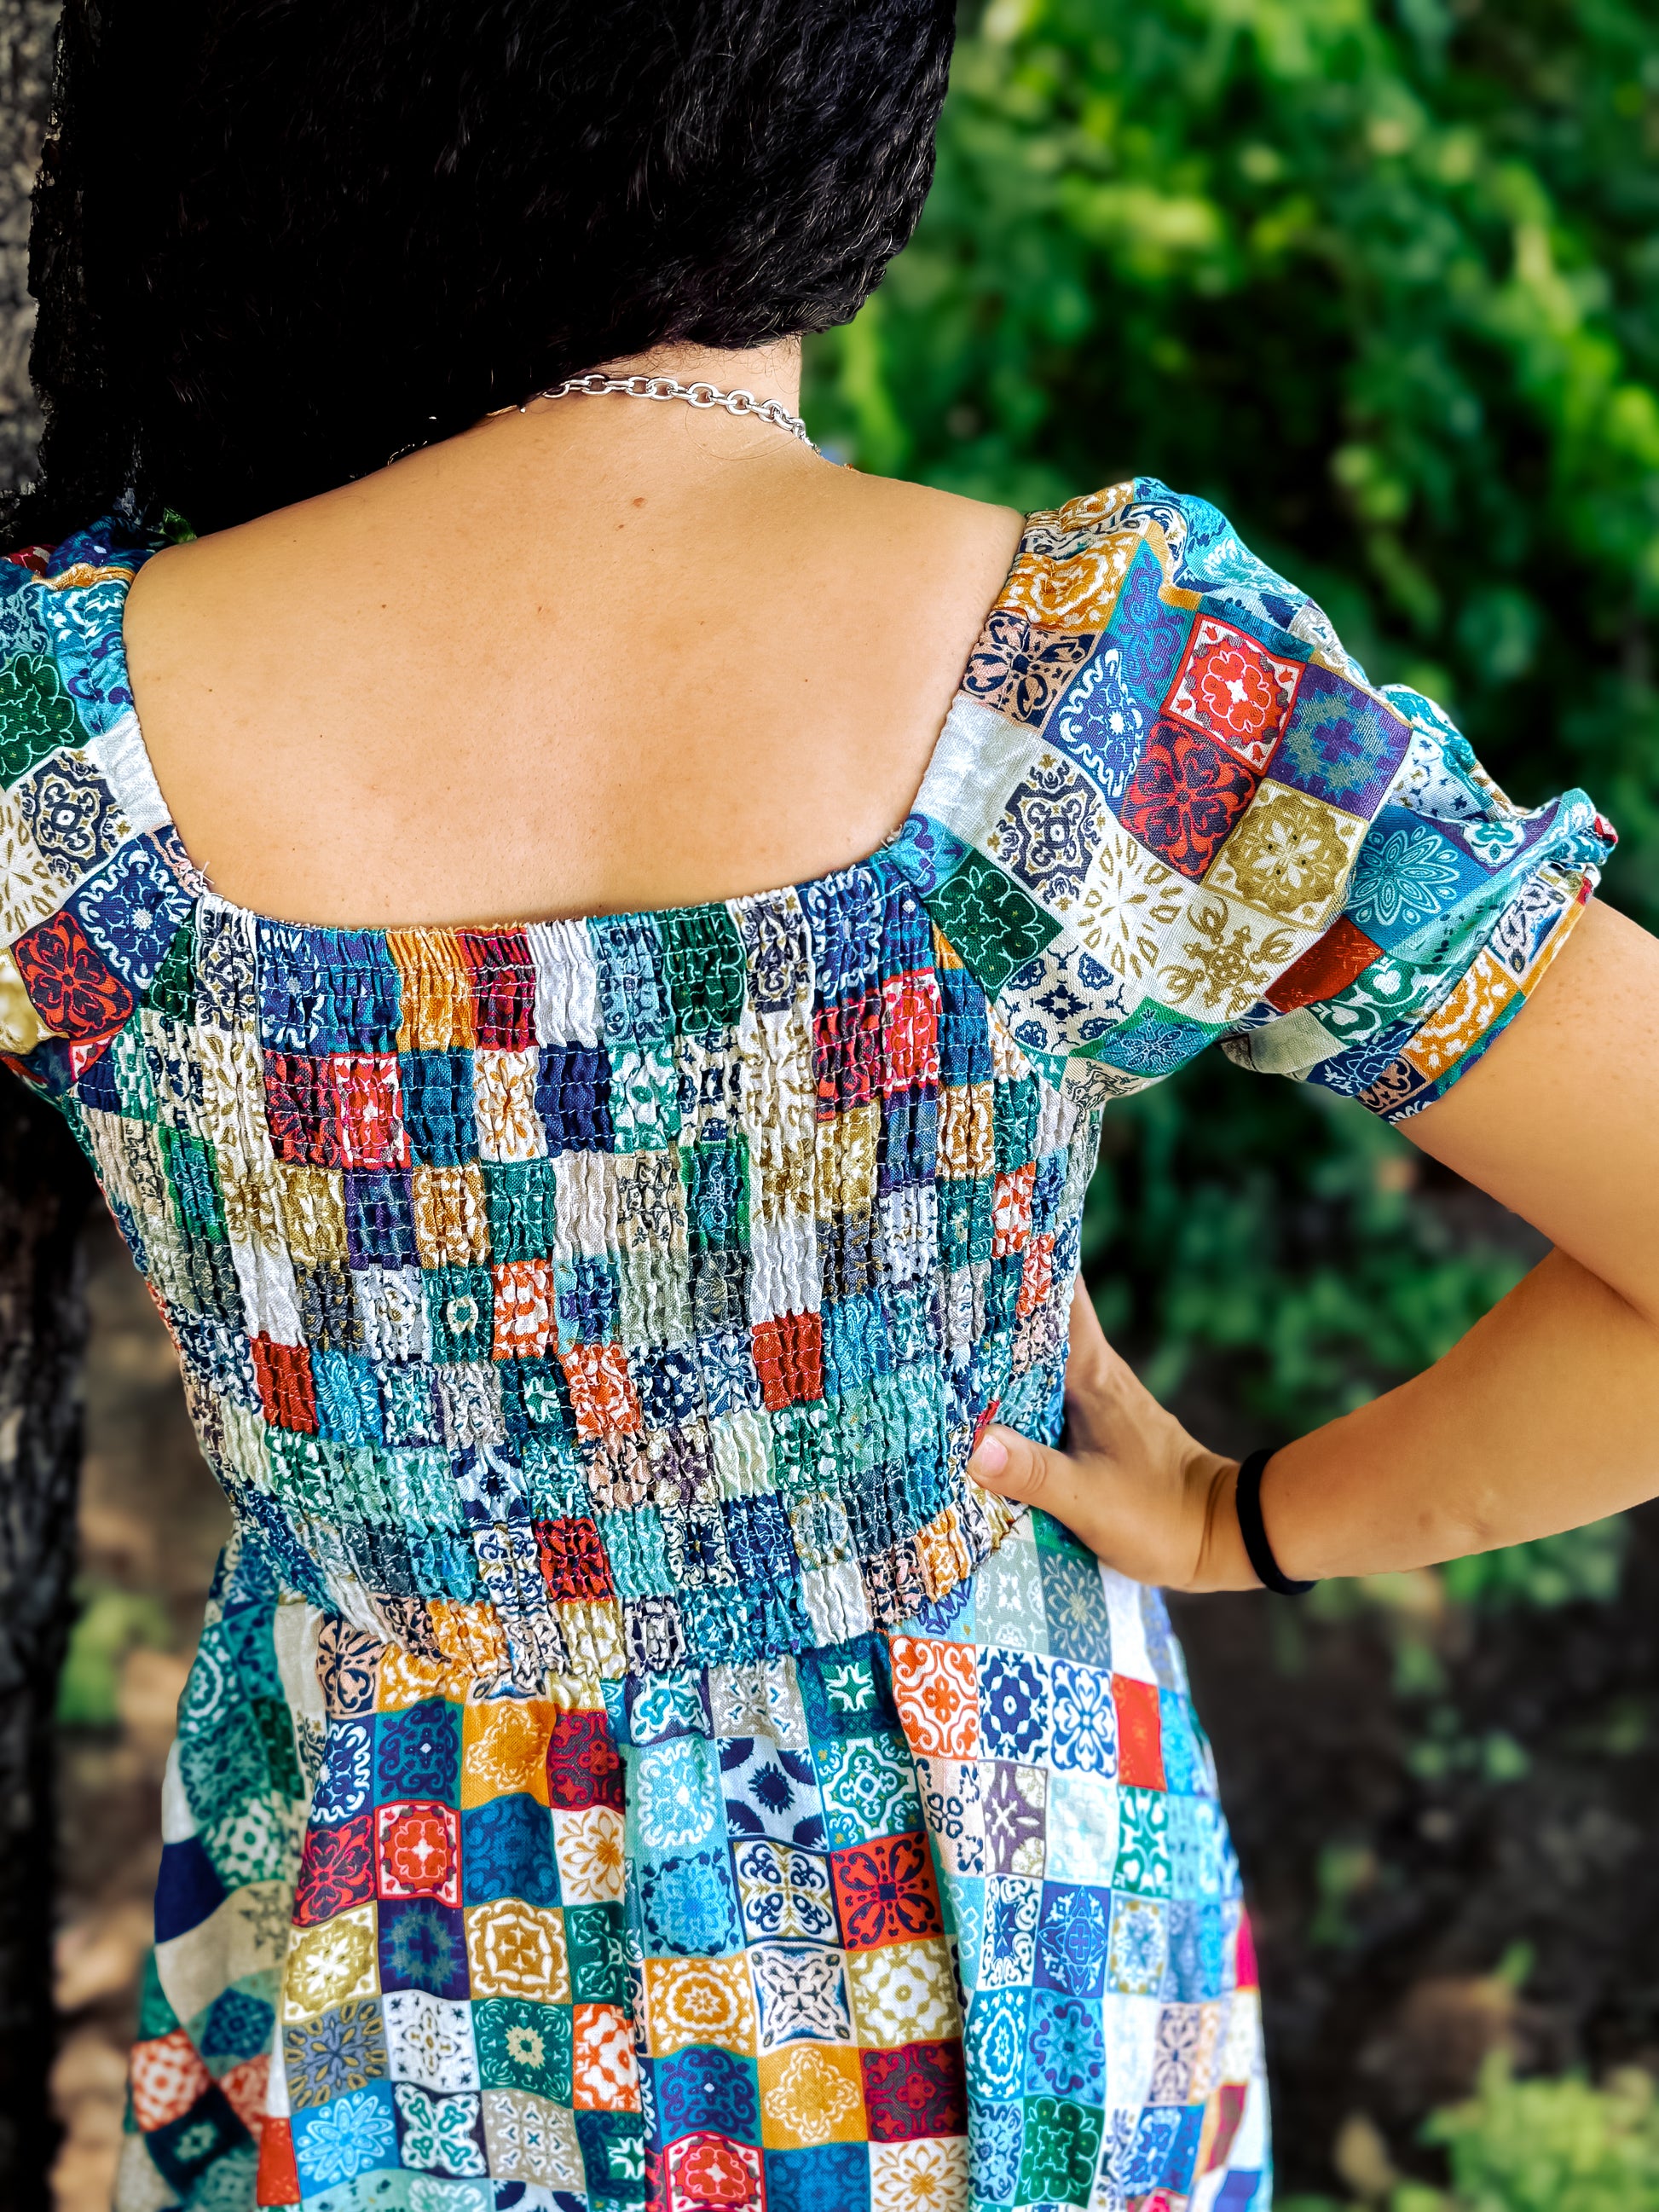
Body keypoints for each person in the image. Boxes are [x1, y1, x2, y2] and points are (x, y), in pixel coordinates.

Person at [1, 3, 1653, 2208]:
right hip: (998, 1965)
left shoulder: (62, 747)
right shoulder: (1102, 690)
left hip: (383, 1982)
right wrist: (1241, 1521)